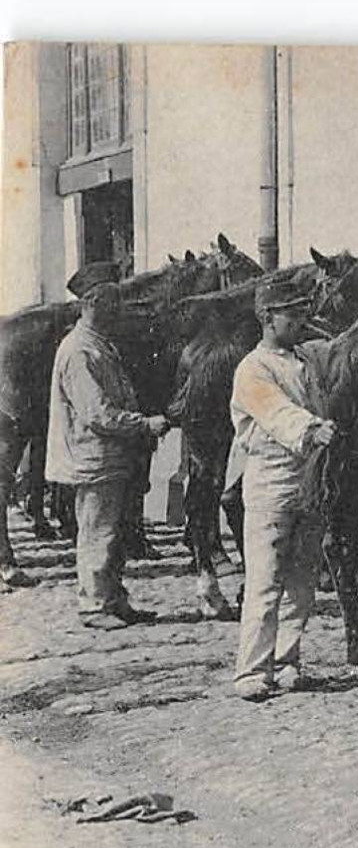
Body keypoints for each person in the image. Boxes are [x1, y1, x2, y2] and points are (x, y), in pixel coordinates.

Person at [46, 261, 170, 629]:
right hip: (94, 456)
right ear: (94, 302)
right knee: (97, 531)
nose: (118, 309)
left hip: (111, 455)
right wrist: (144, 424)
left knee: (113, 532)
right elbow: (97, 413)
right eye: (113, 301)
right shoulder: (79, 351)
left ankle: (115, 600)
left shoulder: (98, 344)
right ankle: (94, 606)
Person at [229, 279, 336, 701]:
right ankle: (252, 671)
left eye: (302, 311)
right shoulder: (253, 368)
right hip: (270, 481)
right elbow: (275, 411)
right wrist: (312, 428)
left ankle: (287, 660)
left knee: (301, 580)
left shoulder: (305, 357)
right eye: (289, 313)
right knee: (264, 579)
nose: (299, 320)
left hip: (306, 479)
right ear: (266, 318)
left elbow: (339, 350)